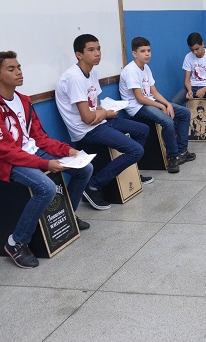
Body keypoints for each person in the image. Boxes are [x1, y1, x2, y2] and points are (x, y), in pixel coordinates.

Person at [0, 51, 94, 269]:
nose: (19, 72)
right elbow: (5, 152)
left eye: (19, 67)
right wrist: (45, 164)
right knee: (46, 187)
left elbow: (39, 137)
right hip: (7, 163)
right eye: (11, 69)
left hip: (32, 153)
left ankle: (69, 215)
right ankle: (16, 242)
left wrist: (67, 150)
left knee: (85, 169)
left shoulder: (24, 101)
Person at [57, 34, 150, 210]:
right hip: (86, 131)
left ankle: (131, 171)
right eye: (91, 50)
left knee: (142, 130)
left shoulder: (91, 72)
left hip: (99, 123)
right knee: (135, 150)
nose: (97, 53)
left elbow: (96, 106)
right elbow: (87, 118)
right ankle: (93, 185)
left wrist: (102, 113)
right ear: (79, 54)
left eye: (98, 49)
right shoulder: (74, 78)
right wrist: (105, 113)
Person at [120, 37, 195, 174]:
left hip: (149, 101)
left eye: (149, 50)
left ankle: (182, 151)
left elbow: (153, 91)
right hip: (137, 107)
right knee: (168, 121)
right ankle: (173, 156)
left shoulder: (146, 67)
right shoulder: (130, 70)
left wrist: (167, 104)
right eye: (142, 51)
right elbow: (140, 98)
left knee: (184, 112)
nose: (147, 54)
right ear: (134, 53)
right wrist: (161, 107)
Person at [170, 32, 206, 145]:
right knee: (173, 102)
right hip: (193, 86)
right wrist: (190, 90)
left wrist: (204, 89)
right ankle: (176, 131)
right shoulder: (188, 57)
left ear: (202, 44)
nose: (195, 52)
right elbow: (187, 79)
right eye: (192, 50)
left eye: (197, 49)